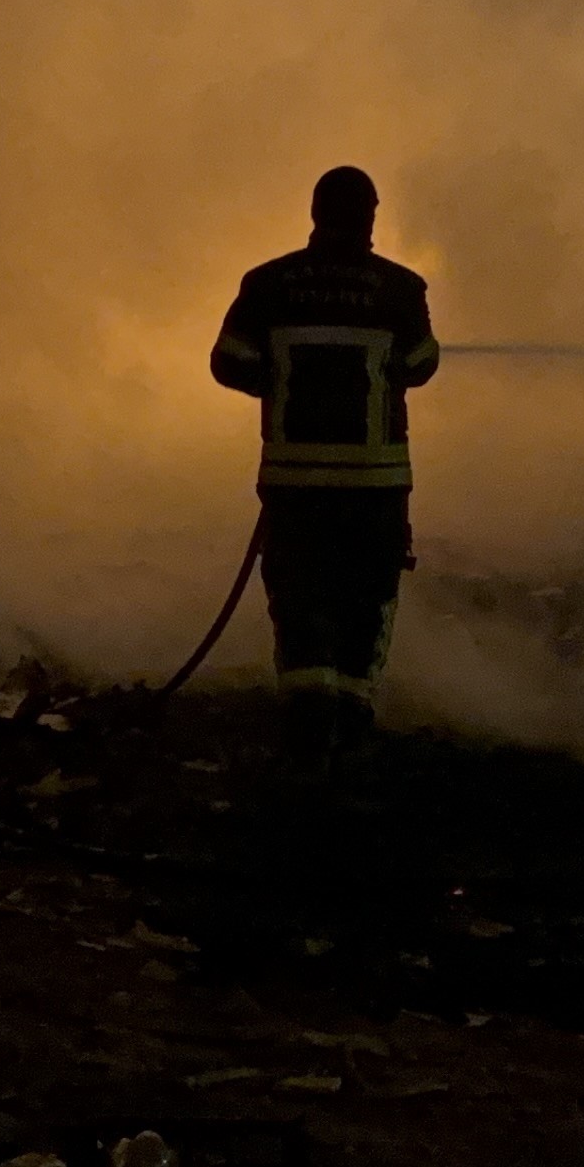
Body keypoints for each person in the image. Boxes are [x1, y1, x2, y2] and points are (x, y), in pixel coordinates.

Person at [210, 166, 437, 762]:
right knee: (366, 602)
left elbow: (228, 362)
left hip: (296, 485)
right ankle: (353, 733)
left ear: (315, 213)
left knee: (300, 602)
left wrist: (278, 381)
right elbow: (420, 364)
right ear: (370, 216)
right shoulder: (400, 289)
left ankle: (307, 733)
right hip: (375, 488)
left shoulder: (268, 283)